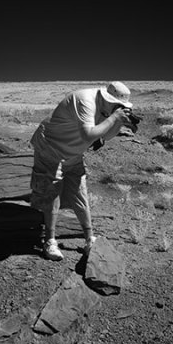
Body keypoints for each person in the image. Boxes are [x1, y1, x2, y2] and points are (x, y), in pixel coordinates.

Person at [29, 81, 136, 261]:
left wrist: (119, 121)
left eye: (122, 106)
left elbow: (105, 136)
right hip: (51, 147)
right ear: (106, 98)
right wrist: (113, 118)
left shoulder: (108, 110)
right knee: (52, 191)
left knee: (80, 192)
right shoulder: (85, 100)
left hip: (74, 152)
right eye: (117, 105)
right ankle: (50, 241)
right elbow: (88, 135)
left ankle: (89, 239)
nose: (118, 108)